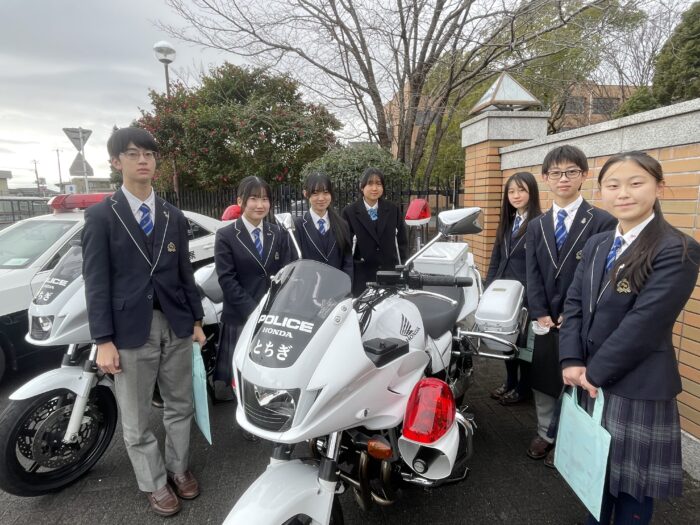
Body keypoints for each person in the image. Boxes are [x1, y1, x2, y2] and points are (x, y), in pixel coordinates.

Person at [559, 151, 700, 525]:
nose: (623, 193)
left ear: (659, 187)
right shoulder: (597, 243)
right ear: (601, 190)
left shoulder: (677, 248)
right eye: (613, 185)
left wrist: (593, 373)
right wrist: (571, 359)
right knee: (594, 474)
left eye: (636, 183)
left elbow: (645, 324)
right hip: (588, 377)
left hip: (636, 386)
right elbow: (574, 303)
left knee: (632, 489)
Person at [82, 127, 206, 517]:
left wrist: (197, 320)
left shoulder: (172, 214)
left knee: (180, 404)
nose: (143, 161)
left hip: (176, 322)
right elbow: (96, 281)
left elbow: (184, 272)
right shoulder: (101, 215)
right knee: (136, 417)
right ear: (116, 162)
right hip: (129, 329)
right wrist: (103, 339)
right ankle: (154, 482)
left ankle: (178, 467)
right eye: (133, 154)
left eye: (149, 154)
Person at [525, 144, 616, 468]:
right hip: (546, 320)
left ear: (584, 175)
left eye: (571, 172)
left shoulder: (602, 221)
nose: (563, 178)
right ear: (545, 178)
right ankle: (545, 433)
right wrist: (539, 311)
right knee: (544, 377)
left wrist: (573, 312)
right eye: (556, 173)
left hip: (581, 318)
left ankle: (567, 438)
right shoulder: (536, 225)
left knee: (575, 379)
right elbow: (532, 272)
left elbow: (600, 274)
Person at [214, 176, 291, 398]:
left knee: (269, 374)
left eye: (265, 199)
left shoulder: (278, 233)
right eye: (254, 198)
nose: (260, 205)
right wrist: (254, 311)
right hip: (242, 316)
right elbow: (227, 280)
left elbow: (287, 272)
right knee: (242, 378)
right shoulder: (226, 235)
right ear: (241, 201)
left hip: (273, 316)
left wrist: (274, 308)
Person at [486, 171, 541, 405]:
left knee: (524, 343)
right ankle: (509, 381)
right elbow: (496, 257)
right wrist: (488, 287)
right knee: (506, 339)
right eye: (511, 191)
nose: (516, 195)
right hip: (503, 293)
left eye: (521, 190)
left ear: (532, 192)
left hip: (525, 293)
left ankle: (524, 387)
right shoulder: (507, 222)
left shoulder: (540, 223)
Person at [341, 167, 408, 297]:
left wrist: (404, 269)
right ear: (362, 187)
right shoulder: (349, 212)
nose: (374, 188)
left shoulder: (392, 210)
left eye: (378, 184)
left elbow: (402, 243)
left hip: (389, 275)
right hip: (362, 277)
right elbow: (346, 247)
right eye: (370, 184)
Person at [293, 172, 353, 278]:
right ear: (306, 194)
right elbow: (294, 263)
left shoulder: (342, 225)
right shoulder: (297, 226)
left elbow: (347, 262)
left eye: (325, 192)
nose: (321, 198)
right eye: (315, 193)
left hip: (336, 286)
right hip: (308, 286)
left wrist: (346, 285)